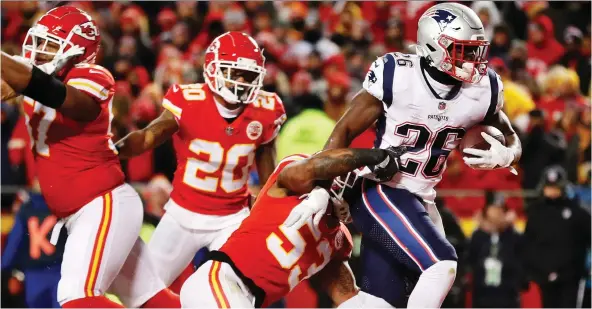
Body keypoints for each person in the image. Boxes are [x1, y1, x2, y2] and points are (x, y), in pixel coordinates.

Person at [320, 3, 522, 307]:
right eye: (463, 50)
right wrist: (326, 187)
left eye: (476, 51)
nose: (474, 61)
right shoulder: (398, 75)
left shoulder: (484, 88)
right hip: (381, 189)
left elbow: (512, 139)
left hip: (422, 199)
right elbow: (344, 130)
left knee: (380, 303)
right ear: (433, 45)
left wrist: (507, 155)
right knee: (441, 266)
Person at [0, 6, 178, 308]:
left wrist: (16, 72)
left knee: (76, 296)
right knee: (150, 298)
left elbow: (71, 102)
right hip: (85, 210)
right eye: (39, 43)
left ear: (78, 51)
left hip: (102, 202)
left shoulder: (91, 75)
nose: (41, 52)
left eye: (50, 45)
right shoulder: (34, 75)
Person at [115, 31, 287, 295]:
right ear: (212, 68)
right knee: (143, 292)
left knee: (239, 290)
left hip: (232, 218)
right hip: (183, 213)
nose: (241, 82)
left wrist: (267, 208)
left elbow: (266, 165)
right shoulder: (189, 101)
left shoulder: (266, 110)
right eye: (234, 72)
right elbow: (149, 136)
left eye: (248, 75)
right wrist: (111, 152)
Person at [180, 147, 406, 308]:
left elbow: (346, 296)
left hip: (247, 299)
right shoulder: (293, 184)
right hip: (221, 280)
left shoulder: (338, 239)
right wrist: (377, 156)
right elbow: (311, 167)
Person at [522, 165, 591, 308]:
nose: (552, 191)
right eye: (549, 187)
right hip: (542, 276)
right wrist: (536, 270)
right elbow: (528, 243)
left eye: (556, 187)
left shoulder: (577, 213)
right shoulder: (535, 213)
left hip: (571, 277)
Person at [468, 192, 526, 308]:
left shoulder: (513, 235)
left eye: (500, 209)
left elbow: (521, 261)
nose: (497, 212)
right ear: (486, 210)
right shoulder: (478, 235)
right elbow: (470, 260)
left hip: (507, 293)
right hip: (482, 293)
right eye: (494, 208)